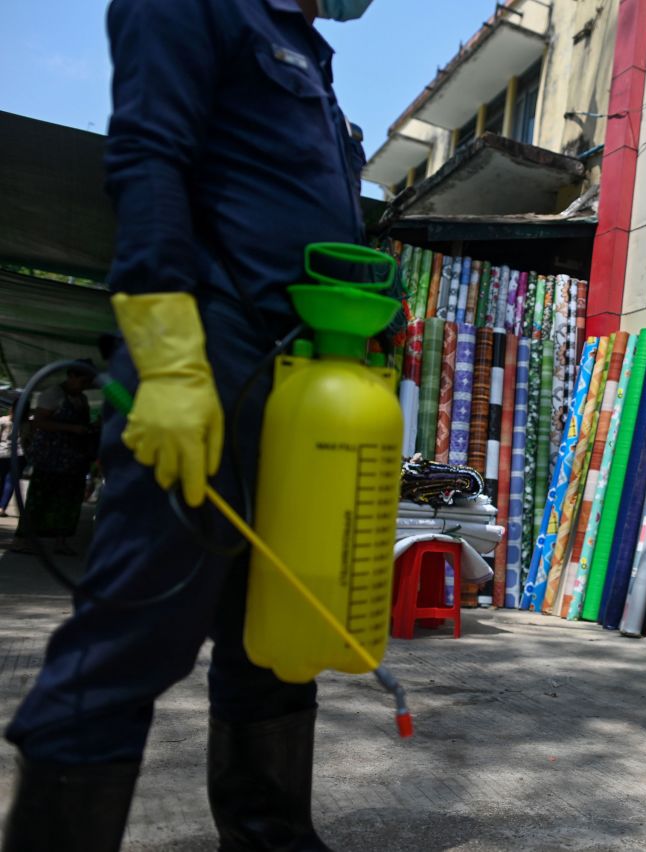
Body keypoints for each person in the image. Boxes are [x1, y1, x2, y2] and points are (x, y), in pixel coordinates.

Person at [2, 1, 376, 849]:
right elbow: (147, 158)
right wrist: (170, 359)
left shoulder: (305, 49)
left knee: (275, 636)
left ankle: (272, 837)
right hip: (210, 366)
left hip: (300, 381)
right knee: (134, 635)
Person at [12, 363, 99, 555]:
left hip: (73, 459)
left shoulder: (81, 399)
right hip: (50, 457)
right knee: (41, 498)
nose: (84, 386)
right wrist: (72, 429)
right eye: (83, 381)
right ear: (72, 376)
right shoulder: (53, 394)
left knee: (68, 500)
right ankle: (22, 539)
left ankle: (61, 541)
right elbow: (40, 422)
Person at [0, 403, 16, 517]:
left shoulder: (3, 420)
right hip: (18, 456)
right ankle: (2, 507)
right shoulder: (27, 422)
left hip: (2, 453)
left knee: (2, 479)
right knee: (10, 481)